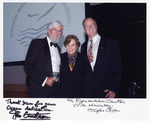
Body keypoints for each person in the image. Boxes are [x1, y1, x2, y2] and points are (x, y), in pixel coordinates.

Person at [81, 17, 122, 98]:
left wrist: (114, 88)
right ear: (84, 30)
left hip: (106, 92)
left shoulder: (111, 43)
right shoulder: (83, 46)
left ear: (96, 26)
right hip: (88, 92)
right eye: (87, 26)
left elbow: (118, 67)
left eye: (92, 25)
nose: (90, 27)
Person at [24, 20, 63, 98]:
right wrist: (44, 80)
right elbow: (28, 66)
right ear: (48, 31)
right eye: (54, 30)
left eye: (59, 31)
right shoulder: (37, 43)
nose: (57, 33)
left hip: (55, 90)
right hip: (40, 90)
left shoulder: (58, 48)